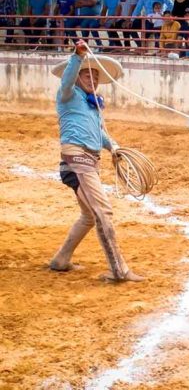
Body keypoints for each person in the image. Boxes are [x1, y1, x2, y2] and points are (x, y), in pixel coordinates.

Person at [49, 39, 144, 282]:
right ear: (78, 78)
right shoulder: (67, 94)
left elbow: (99, 132)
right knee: (103, 211)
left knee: (90, 216)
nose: (92, 80)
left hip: (88, 162)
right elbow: (67, 80)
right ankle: (119, 270)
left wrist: (113, 146)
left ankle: (61, 259)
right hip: (77, 160)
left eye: (95, 77)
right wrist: (78, 56)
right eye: (86, 75)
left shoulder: (92, 106)